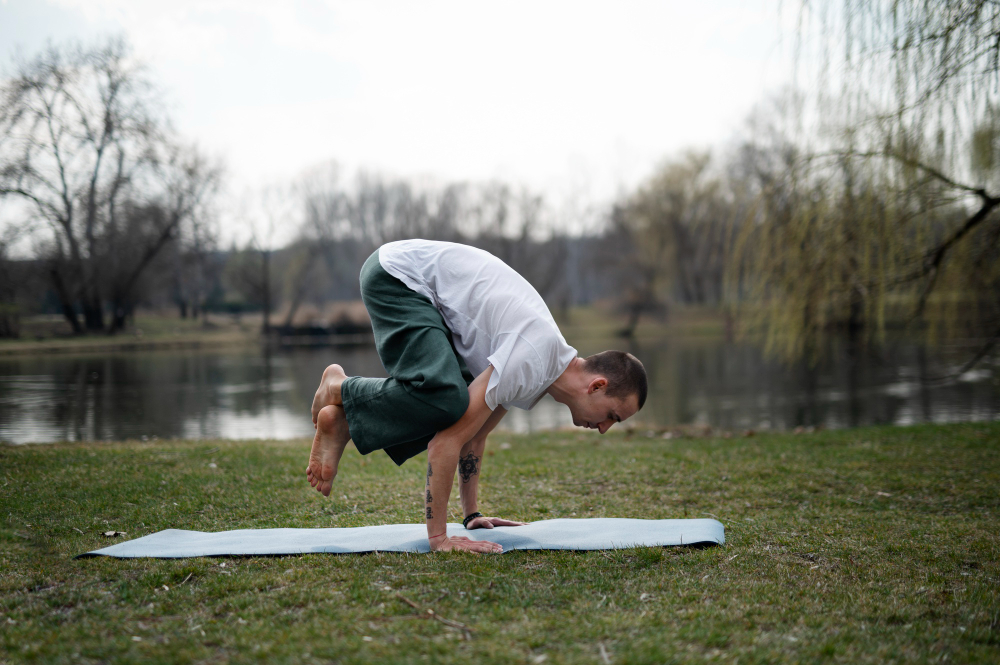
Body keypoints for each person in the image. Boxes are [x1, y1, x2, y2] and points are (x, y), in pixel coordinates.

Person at [306, 239, 647, 554]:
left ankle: (345, 421)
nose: (604, 428)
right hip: (397, 275)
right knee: (445, 399)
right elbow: (445, 443)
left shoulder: (543, 371)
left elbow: (475, 434)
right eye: (612, 416)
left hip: (427, 294)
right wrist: (439, 539)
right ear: (597, 386)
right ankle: (340, 387)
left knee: (454, 406)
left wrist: (472, 516)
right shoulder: (533, 356)